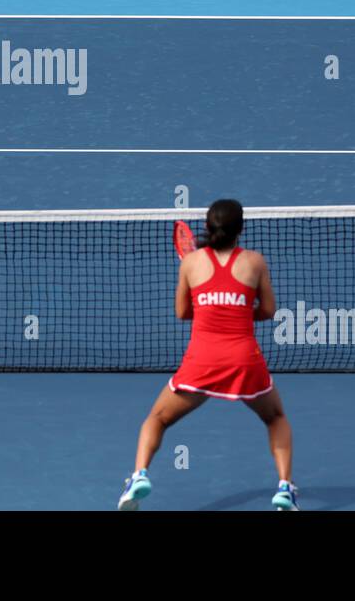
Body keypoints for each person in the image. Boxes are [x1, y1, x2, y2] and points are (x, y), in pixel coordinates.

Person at [118, 199, 297, 511]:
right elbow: (268, 311)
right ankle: (284, 489)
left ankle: (139, 475)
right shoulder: (255, 262)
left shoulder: (191, 263)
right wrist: (239, 312)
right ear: (241, 229)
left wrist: (211, 306)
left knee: (157, 419)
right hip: (244, 362)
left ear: (206, 227)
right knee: (275, 417)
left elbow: (182, 312)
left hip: (202, 363)